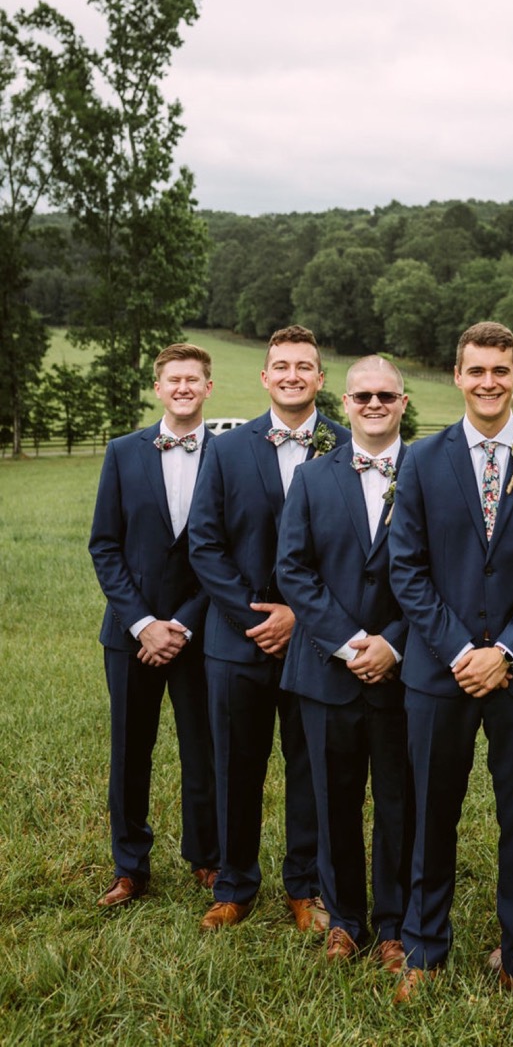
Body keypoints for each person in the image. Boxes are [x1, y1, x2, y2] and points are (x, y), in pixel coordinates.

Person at [388, 321, 513, 1011]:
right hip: (437, 671)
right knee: (428, 814)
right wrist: (459, 650)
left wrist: (505, 650)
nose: (490, 381)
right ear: (457, 374)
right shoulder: (421, 457)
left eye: (502, 369)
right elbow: (404, 569)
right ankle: (423, 947)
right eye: (477, 370)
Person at [187, 325, 349, 931]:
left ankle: (305, 887)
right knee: (235, 764)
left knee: (312, 767)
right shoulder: (226, 449)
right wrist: (254, 616)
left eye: (304, 366)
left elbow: (358, 551)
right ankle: (233, 884)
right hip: (237, 640)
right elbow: (204, 544)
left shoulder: (344, 443)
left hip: (317, 641)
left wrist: (300, 614)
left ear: (319, 378)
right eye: (281, 365)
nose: (292, 375)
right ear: (264, 376)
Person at [277, 356, 413, 972]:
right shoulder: (310, 477)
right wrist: (350, 641)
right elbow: (293, 570)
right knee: (331, 800)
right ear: (346, 401)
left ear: (404, 402)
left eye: (386, 395)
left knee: (398, 801)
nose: (375, 404)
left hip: (404, 671)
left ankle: (394, 924)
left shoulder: (432, 473)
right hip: (326, 671)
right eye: (363, 396)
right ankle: (346, 920)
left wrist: (394, 642)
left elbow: (447, 574)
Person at [88, 343, 219, 907]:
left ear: (208, 388)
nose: (184, 387)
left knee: (202, 748)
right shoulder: (122, 452)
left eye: (194, 379)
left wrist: (183, 624)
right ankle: (130, 865)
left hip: (201, 632)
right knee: (129, 749)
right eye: (174, 379)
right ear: (158, 387)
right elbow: (105, 545)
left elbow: (228, 552)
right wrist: (142, 623)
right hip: (129, 634)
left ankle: (207, 857)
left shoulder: (230, 454)